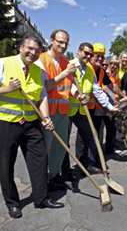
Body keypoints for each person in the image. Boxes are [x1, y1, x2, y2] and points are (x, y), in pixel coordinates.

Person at [0, 35, 64, 218]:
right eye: (30, 48)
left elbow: (42, 96)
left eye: (37, 50)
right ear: (21, 47)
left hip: (30, 123)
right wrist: (7, 89)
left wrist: (45, 117)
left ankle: (41, 198)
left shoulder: (38, 71)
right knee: (6, 163)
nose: (33, 53)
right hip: (4, 122)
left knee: (40, 156)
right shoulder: (1, 64)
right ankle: (12, 203)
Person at [35, 29, 78, 191]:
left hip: (62, 110)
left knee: (60, 147)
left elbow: (70, 84)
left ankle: (54, 176)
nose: (63, 45)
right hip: (47, 111)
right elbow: (45, 86)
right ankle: (42, 180)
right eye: (60, 42)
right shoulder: (41, 60)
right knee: (45, 147)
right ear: (51, 41)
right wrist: (65, 73)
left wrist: (76, 93)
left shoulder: (66, 62)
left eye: (66, 43)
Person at [69, 43, 120, 174]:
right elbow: (68, 84)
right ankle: (65, 172)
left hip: (85, 109)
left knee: (91, 135)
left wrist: (110, 106)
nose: (98, 58)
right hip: (67, 109)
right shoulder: (71, 65)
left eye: (92, 54)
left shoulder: (90, 70)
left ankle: (88, 165)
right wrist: (76, 94)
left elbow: (97, 90)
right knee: (65, 141)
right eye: (89, 54)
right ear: (79, 52)